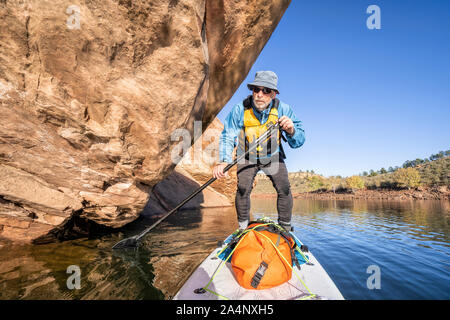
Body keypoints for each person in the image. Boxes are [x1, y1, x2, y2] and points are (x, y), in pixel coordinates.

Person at [212, 70, 305, 231]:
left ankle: (285, 228)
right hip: (247, 155)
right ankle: (242, 228)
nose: (260, 94)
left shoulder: (283, 109)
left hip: (273, 156)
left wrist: (291, 131)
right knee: (242, 189)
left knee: (284, 188)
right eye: (256, 89)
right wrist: (224, 160)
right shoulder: (239, 109)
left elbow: (299, 141)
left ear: (273, 94)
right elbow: (227, 135)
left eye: (266, 90)